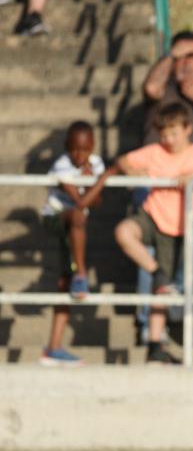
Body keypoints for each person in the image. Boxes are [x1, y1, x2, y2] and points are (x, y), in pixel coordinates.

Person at [91, 103, 193, 364]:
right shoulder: (154, 151)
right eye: (164, 134)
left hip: (181, 227)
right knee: (124, 232)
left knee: (164, 290)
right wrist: (134, 171)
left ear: (187, 129)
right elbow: (124, 161)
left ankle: (155, 342)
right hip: (152, 218)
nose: (168, 140)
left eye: (174, 133)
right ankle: (156, 272)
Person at [38, 121, 106, 367]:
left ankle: (54, 346)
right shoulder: (62, 165)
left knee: (64, 281)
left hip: (75, 227)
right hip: (56, 219)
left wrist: (95, 182)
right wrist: (103, 179)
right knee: (77, 217)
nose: (80, 155)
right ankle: (83, 273)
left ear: (93, 147)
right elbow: (80, 203)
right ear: (68, 147)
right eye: (75, 149)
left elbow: (96, 202)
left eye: (85, 150)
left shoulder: (96, 163)